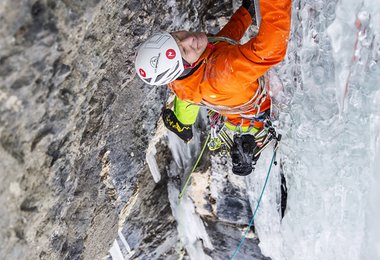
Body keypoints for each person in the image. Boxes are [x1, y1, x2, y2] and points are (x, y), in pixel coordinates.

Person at [134, 0, 291, 175]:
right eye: (184, 50)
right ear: (185, 67)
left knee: (187, 102)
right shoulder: (223, 74)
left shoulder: (180, 80)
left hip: (232, 114)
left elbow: (219, 44)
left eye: (177, 37)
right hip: (257, 117)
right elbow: (270, 49)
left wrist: (245, 14)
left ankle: (183, 124)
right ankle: (185, 125)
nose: (189, 39)